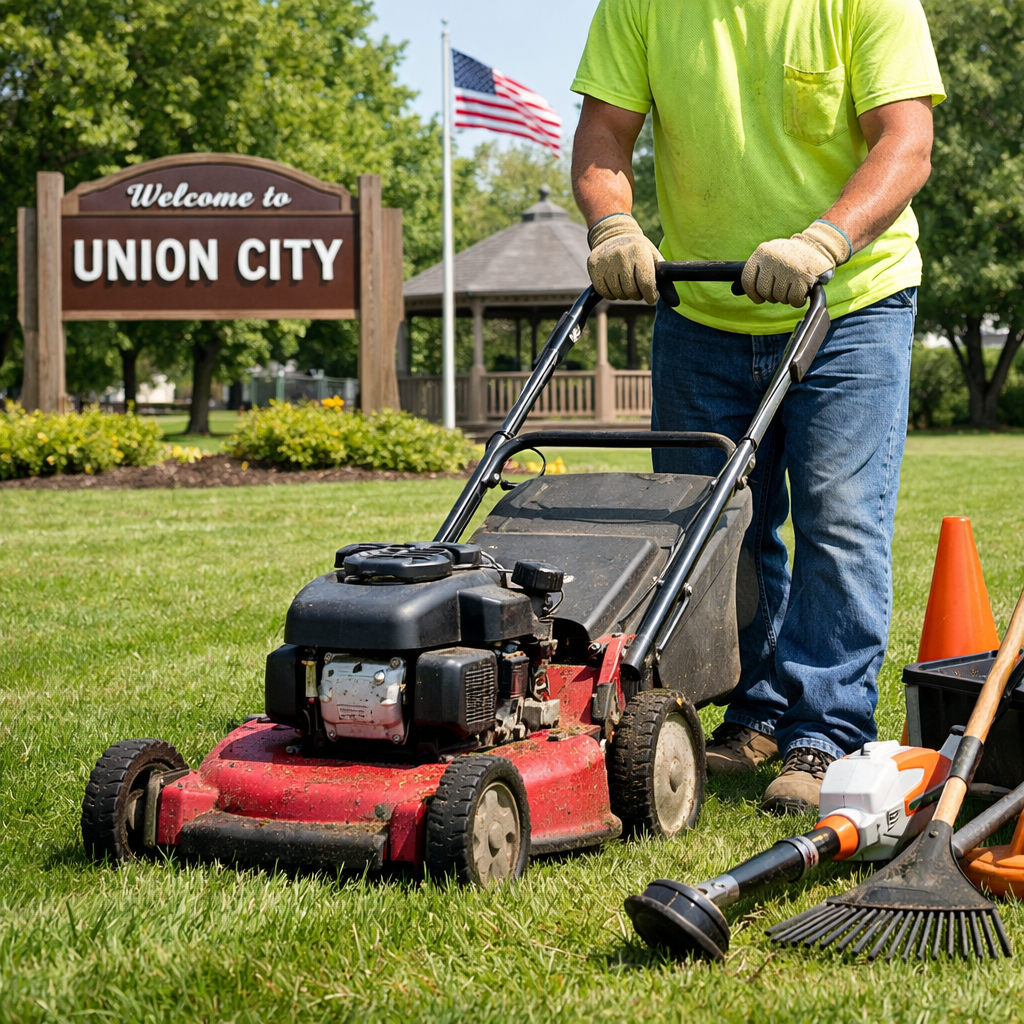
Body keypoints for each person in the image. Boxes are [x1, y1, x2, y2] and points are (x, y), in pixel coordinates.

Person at [571, 0, 945, 813]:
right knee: (711, 534)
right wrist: (614, 225)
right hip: (702, 307)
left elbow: (905, 144)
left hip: (849, 300)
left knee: (839, 517)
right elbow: (604, 134)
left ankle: (828, 732)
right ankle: (755, 713)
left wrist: (821, 240)